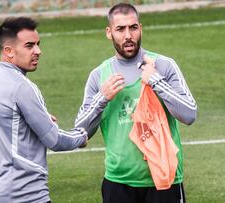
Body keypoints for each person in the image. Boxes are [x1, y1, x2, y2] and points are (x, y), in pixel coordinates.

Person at [75, 3, 197, 203]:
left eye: (132, 28)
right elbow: (80, 133)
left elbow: (190, 114)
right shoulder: (99, 76)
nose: (128, 36)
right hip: (118, 182)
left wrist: (157, 81)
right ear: (109, 32)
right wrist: (102, 97)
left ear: (140, 28)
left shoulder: (163, 65)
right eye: (120, 29)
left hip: (164, 180)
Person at [0, 17, 87, 203]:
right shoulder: (22, 87)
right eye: (29, 46)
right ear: (9, 51)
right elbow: (55, 140)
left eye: (38, 44)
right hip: (27, 195)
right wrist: (81, 136)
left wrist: (27, 124)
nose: (38, 51)